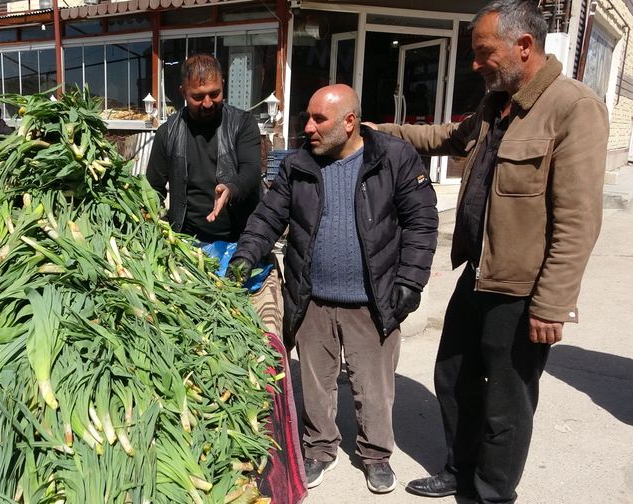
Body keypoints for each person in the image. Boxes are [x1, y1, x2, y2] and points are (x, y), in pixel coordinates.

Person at [369, 1, 610, 502]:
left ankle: (493, 493)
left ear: (524, 47)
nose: (474, 63)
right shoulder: (496, 102)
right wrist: (382, 133)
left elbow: (578, 220)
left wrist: (551, 303)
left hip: (521, 290)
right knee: (453, 377)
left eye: (483, 52)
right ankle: (461, 469)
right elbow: (446, 138)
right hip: (477, 273)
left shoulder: (573, 108)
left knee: (507, 402)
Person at [228, 84, 438, 494]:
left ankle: (376, 453)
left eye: (318, 119)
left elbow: (421, 223)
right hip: (312, 299)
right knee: (317, 383)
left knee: (374, 387)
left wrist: (410, 283)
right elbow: (267, 218)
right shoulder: (298, 165)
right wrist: (244, 257)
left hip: (373, 300)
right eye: (307, 117)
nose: (308, 127)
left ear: (349, 121)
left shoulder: (393, 159)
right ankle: (320, 448)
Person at [146, 54, 283, 337]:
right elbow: (152, 189)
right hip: (187, 249)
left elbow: (250, 171)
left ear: (223, 84)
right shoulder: (167, 133)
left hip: (239, 245)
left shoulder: (242, 124)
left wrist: (230, 188)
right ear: (183, 91)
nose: (208, 103)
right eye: (198, 97)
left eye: (214, 94)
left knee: (248, 331)